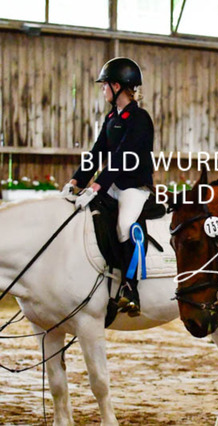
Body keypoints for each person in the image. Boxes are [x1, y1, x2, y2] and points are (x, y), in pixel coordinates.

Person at [61, 57, 154, 317]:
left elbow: (122, 157)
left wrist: (97, 186)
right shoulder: (112, 117)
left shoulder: (139, 118)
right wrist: (75, 181)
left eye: (105, 85)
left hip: (134, 187)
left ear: (117, 86)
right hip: (113, 185)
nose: (102, 90)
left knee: (125, 225)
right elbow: (97, 152)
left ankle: (130, 288)